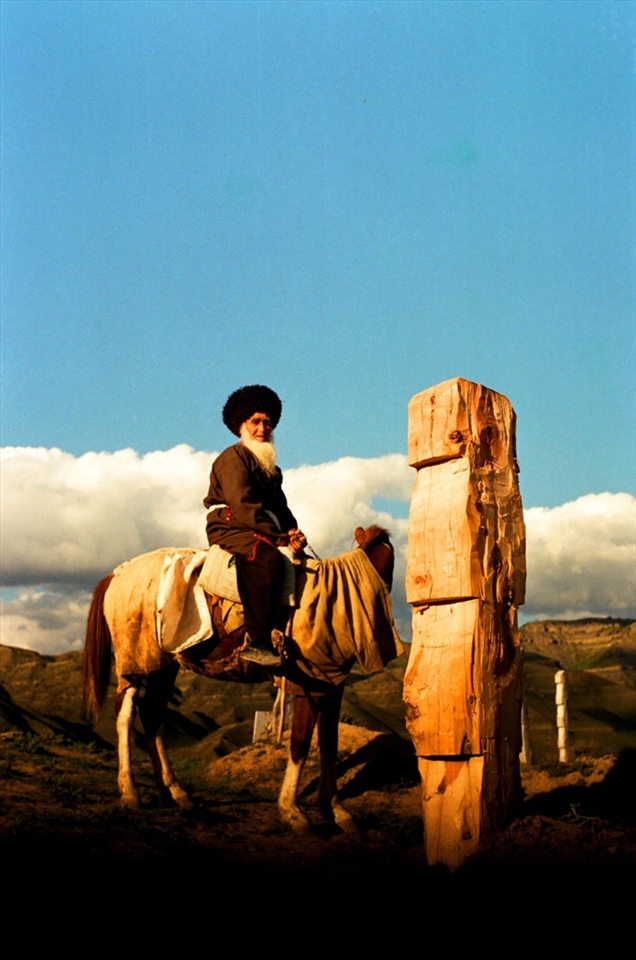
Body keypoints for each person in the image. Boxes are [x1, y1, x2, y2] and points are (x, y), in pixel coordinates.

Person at [203, 385, 307, 665]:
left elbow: (281, 509)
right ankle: (258, 641)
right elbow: (242, 503)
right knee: (267, 559)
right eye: (256, 422)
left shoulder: (272, 469)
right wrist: (278, 538)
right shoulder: (231, 458)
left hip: (258, 526)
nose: (263, 428)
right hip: (230, 526)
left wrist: (293, 534)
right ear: (242, 425)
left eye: (268, 423)